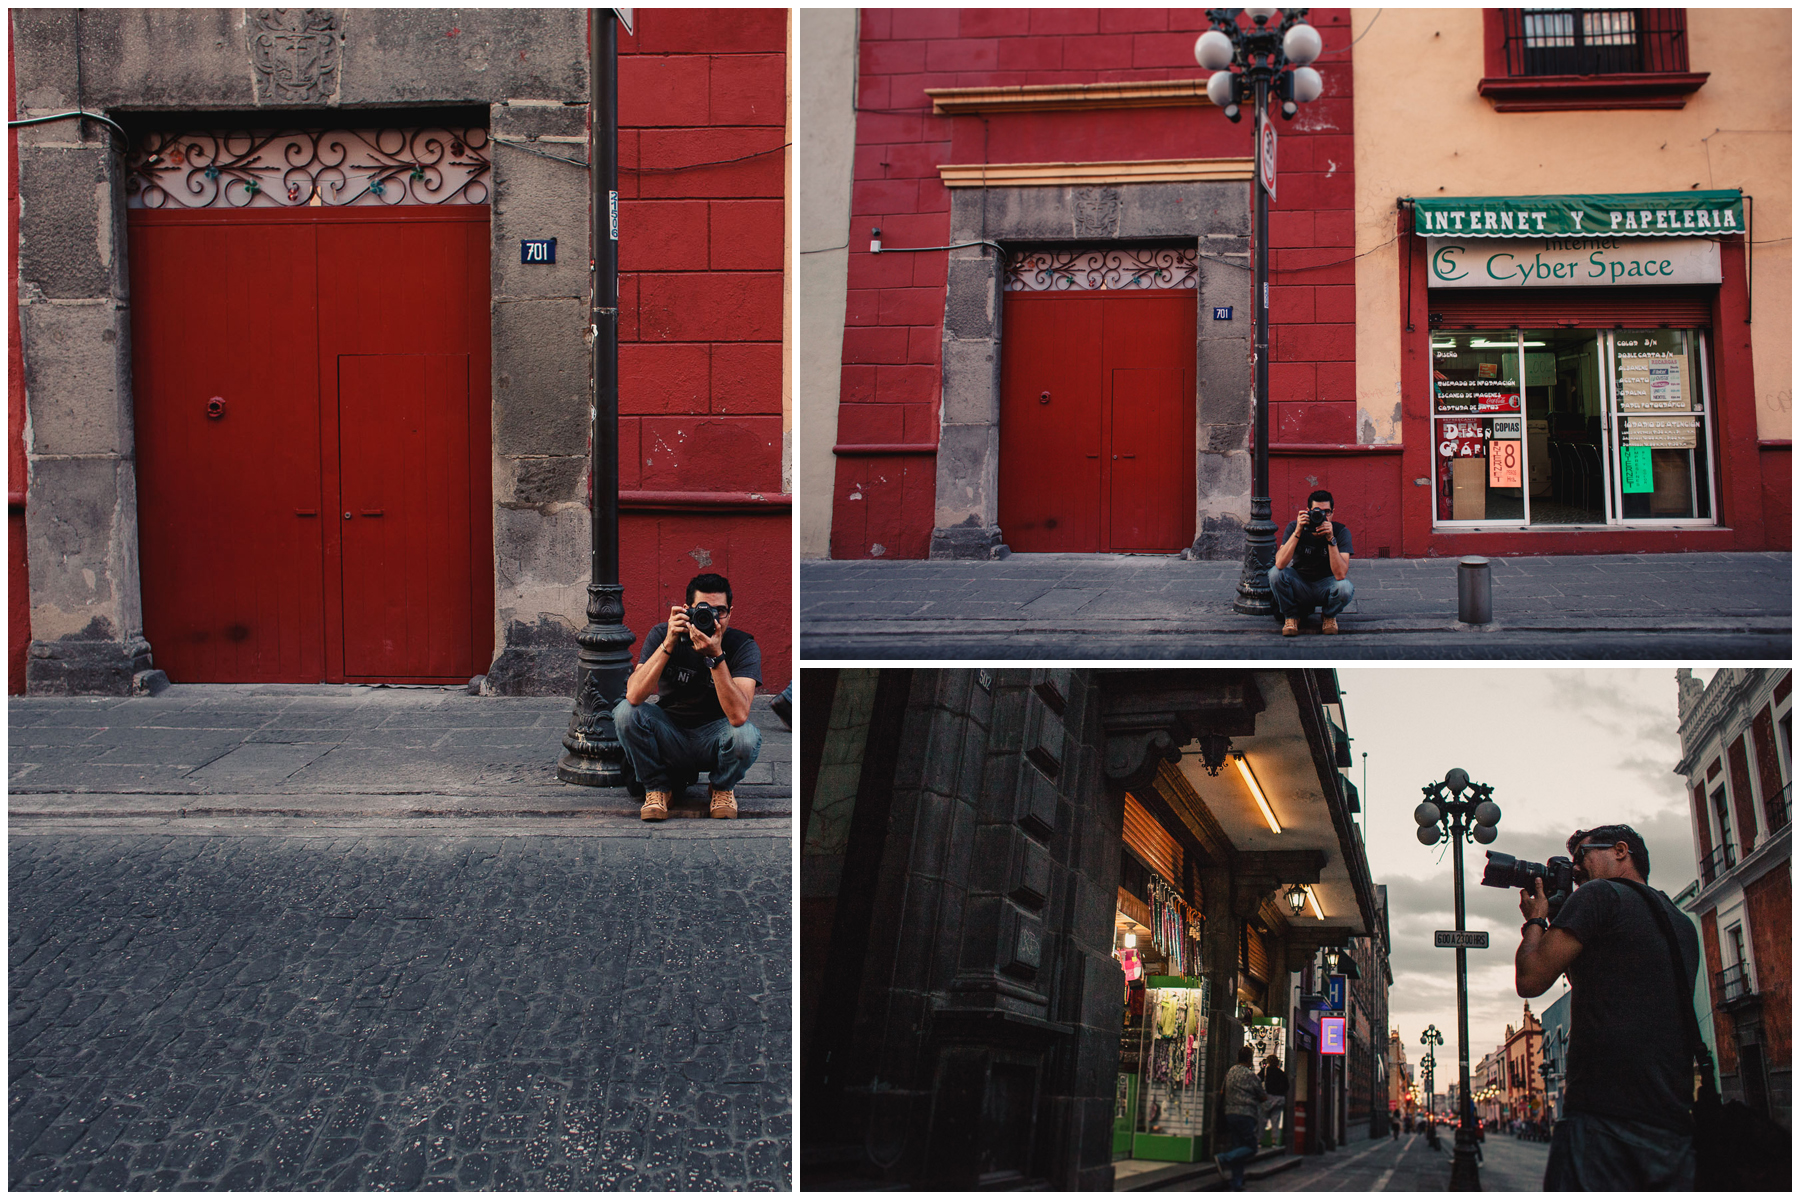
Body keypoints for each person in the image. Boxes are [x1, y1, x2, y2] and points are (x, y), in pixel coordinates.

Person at [1513, 823, 1700, 1191]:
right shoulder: (1679, 921)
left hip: (1603, 1119)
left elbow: (1531, 979)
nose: (1575, 869)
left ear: (1620, 850)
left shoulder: (1600, 895)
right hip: (1672, 1125)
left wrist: (1536, 918)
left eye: (1581, 856)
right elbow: (1594, 980)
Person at [614, 572, 762, 822]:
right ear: (686, 611)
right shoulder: (664, 634)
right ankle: (658, 789)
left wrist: (716, 658)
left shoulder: (742, 645)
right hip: (670, 732)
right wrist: (669, 642)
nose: (712, 619)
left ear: (730, 612)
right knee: (624, 713)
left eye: (720, 611)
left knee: (747, 736)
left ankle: (722, 788)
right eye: (704, 611)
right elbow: (635, 694)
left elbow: (738, 716)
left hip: (716, 736)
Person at [1269, 488, 1353, 636]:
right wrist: (1298, 531)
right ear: (1308, 511)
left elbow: (1340, 575)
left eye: (1326, 512)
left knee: (1345, 588)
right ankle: (1291, 617)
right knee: (1274, 574)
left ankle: (1329, 616)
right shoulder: (1294, 527)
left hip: (1326, 585)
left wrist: (1331, 539)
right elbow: (1280, 563)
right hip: (1300, 583)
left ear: (1333, 512)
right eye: (1317, 511)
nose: (1321, 516)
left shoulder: (1340, 532)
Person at [1215, 1045, 1267, 1191]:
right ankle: (1223, 1158)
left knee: (1238, 1147)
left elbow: (1222, 1091)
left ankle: (1236, 1182)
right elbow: (1262, 1096)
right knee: (1251, 1147)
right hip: (1246, 1115)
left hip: (1230, 1114)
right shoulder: (1251, 1076)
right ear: (1250, 1060)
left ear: (1238, 1058)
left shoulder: (1230, 1072)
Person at [1259, 1054, 1288, 1144]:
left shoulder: (1265, 1071)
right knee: (1275, 1120)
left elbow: (1257, 1080)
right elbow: (1287, 1086)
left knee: (1262, 1119)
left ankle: (1259, 1139)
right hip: (1279, 1098)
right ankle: (1274, 1140)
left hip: (1268, 1097)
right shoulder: (1281, 1073)